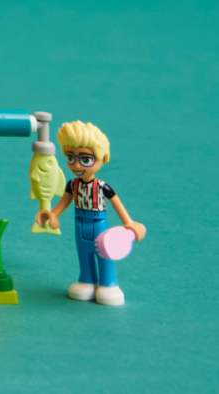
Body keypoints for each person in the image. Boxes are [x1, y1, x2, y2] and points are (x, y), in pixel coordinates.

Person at [35, 120, 145, 305]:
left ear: (103, 158)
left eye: (85, 159)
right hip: (80, 223)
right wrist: (52, 215)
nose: (77, 165)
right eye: (71, 158)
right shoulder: (72, 185)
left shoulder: (102, 187)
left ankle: (109, 284)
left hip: (99, 224)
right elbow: (63, 202)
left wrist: (128, 223)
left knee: (104, 253)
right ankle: (87, 281)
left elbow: (117, 204)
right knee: (84, 253)